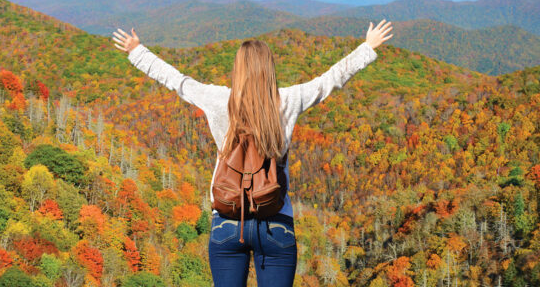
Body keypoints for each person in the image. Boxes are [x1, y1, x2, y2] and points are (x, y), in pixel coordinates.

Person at [112, 20, 394, 287]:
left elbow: (177, 81)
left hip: (227, 220)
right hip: (276, 221)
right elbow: (329, 81)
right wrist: (367, 47)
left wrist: (137, 51)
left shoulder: (219, 100)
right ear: (269, 69)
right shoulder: (288, 100)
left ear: (238, 70)